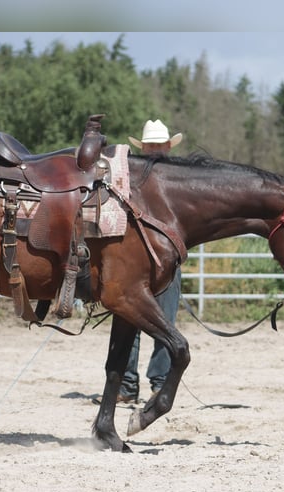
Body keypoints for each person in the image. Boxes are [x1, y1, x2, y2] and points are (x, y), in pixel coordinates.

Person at [118, 119, 183, 403]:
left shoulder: (179, 179)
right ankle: (126, 385)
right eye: (151, 145)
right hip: (134, 259)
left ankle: (158, 381)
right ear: (144, 147)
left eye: (159, 145)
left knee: (165, 321)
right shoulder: (128, 175)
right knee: (129, 320)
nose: (155, 150)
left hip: (167, 259)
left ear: (168, 147)